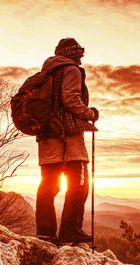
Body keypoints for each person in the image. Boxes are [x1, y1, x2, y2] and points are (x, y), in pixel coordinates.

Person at [36, 37, 99, 244]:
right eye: (79, 56)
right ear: (71, 54)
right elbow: (70, 99)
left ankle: (45, 233)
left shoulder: (46, 73)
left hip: (47, 138)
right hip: (68, 139)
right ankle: (70, 231)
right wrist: (89, 113)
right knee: (79, 185)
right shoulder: (71, 70)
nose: (81, 61)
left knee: (48, 185)